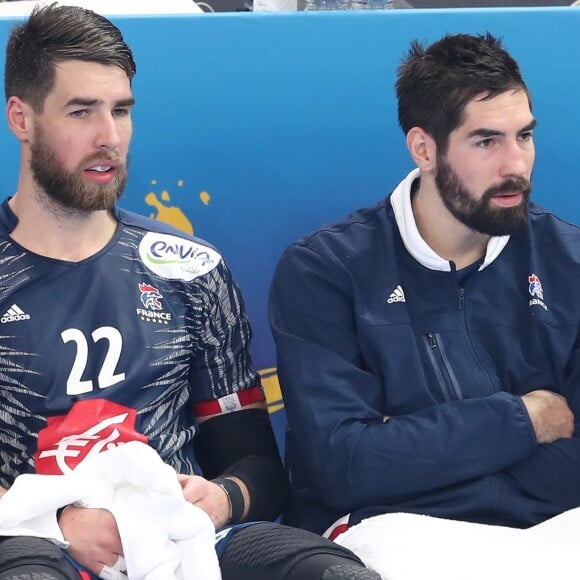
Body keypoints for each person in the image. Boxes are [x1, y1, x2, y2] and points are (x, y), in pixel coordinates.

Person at [0, 4, 381, 580]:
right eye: (82, 111)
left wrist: (222, 498)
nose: (109, 136)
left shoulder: (189, 269)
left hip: (185, 545)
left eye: (121, 111)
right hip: (30, 546)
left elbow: (256, 464)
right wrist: (56, 523)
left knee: (334, 573)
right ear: (21, 118)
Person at [269, 32, 580, 543]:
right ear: (424, 149)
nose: (516, 166)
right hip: (396, 544)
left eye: (524, 136)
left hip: (551, 533)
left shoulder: (566, 258)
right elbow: (345, 465)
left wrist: (412, 451)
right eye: (486, 141)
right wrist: (527, 419)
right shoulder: (326, 270)